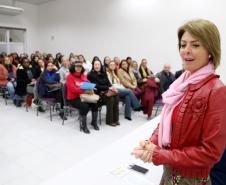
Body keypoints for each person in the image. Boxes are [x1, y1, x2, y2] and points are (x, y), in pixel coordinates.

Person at [132, 19, 226, 185]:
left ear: (210, 50)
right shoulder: (182, 83)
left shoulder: (217, 91)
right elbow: (167, 122)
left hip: (190, 180)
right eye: (183, 45)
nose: (185, 51)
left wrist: (160, 155)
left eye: (195, 45)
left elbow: (210, 153)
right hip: (170, 171)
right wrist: (151, 143)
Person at [66, 61, 99, 134]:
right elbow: (73, 89)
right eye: (77, 66)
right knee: (85, 106)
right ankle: (83, 126)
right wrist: (84, 91)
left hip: (84, 96)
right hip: (73, 98)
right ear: (73, 67)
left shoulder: (83, 75)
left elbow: (88, 82)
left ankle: (94, 122)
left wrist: (90, 88)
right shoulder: (69, 77)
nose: (78, 68)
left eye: (80, 66)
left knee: (95, 103)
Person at [88, 59, 119, 127]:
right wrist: (108, 88)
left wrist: (112, 87)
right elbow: (96, 86)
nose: (97, 66)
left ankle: (116, 119)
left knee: (116, 96)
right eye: (95, 64)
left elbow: (108, 83)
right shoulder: (91, 75)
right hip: (98, 94)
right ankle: (109, 121)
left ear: (100, 65)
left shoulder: (103, 73)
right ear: (93, 66)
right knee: (110, 99)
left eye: (98, 64)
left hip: (105, 92)